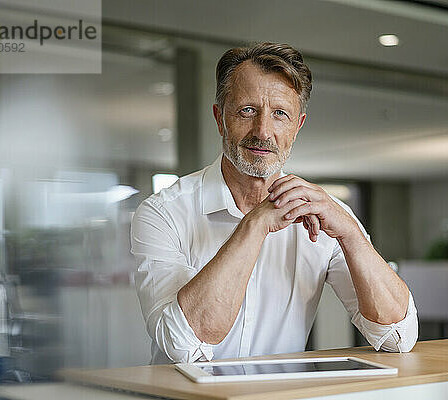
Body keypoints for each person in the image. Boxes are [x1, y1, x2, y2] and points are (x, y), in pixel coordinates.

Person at [132, 42, 418, 364]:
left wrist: (352, 235)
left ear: (297, 127)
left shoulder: (326, 217)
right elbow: (182, 345)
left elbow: (398, 336)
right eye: (247, 111)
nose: (263, 131)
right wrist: (254, 225)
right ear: (219, 117)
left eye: (280, 114)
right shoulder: (163, 213)